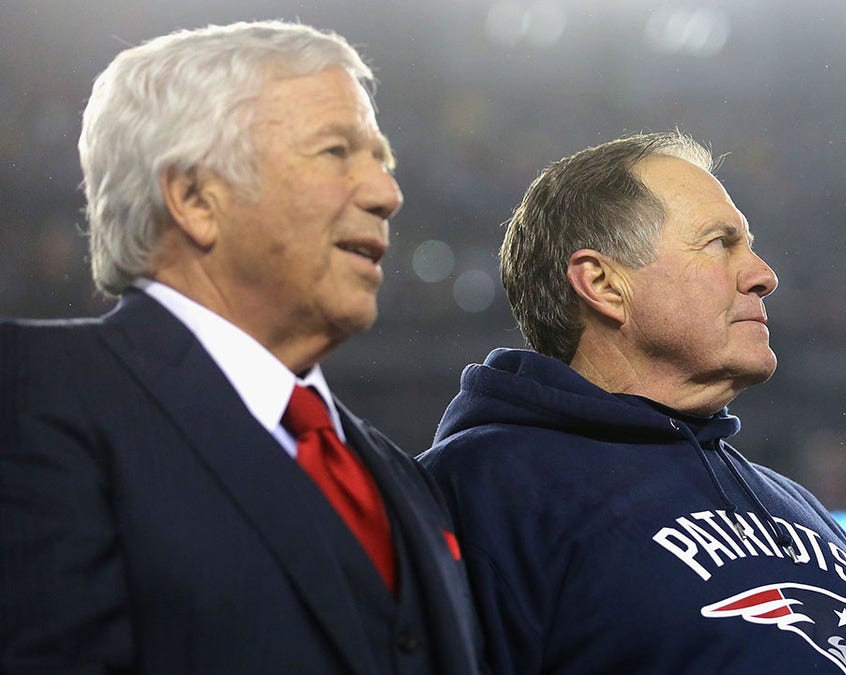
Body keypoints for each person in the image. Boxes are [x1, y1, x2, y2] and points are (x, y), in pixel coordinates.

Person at [0, 21, 485, 674]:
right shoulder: (31, 396)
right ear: (197, 198)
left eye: (382, 160)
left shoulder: (402, 475)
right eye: (337, 152)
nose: (386, 194)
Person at [418, 131, 846, 674]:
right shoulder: (478, 490)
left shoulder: (800, 507)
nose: (764, 275)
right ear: (603, 283)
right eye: (720, 243)